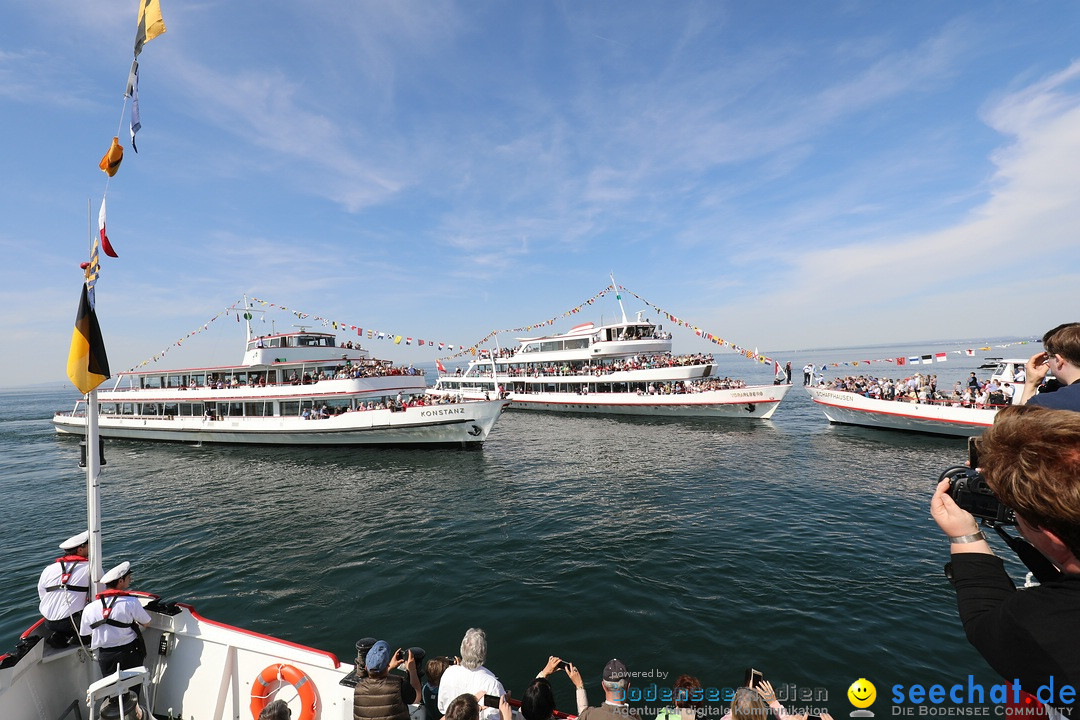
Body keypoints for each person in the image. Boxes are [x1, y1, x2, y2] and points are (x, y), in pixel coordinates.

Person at [930, 405, 1080, 718]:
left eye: (1017, 514)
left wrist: (964, 535)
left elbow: (984, 620)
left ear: (1051, 536)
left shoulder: (1050, 621)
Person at [80, 561, 152, 695]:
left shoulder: (89, 608)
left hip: (106, 656)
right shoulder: (131, 602)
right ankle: (134, 713)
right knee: (133, 689)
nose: (130, 580)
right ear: (120, 581)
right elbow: (147, 623)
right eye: (128, 578)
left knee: (112, 691)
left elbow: (85, 632)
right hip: (129, 652)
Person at [437, 629, 506, 720]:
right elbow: (495, 717)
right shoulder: (492, 684)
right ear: (483, 653)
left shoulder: (448, 672)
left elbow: (442, 708)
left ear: (462, 649)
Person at [37, 530, 91, 648]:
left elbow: (42, 593)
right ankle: (80, 637)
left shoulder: (49, 569)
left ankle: (60, 636)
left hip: (49, 622)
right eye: (89, 545)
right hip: (72, 622)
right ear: (80, 550)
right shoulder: (90, 568)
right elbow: (100, 596)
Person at [352, 639, 422, 720]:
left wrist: (388, 667)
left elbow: (377, 683)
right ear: (386, 665)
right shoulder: (398, 684)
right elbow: (416, 698)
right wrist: (412, 670)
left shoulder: (359, 688)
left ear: (365, 667)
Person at [1021, 323, 1080, 410]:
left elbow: (1019, 421)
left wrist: (1031, 384)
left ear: (1058, 360)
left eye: (1048, 356)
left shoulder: (1046, 403)